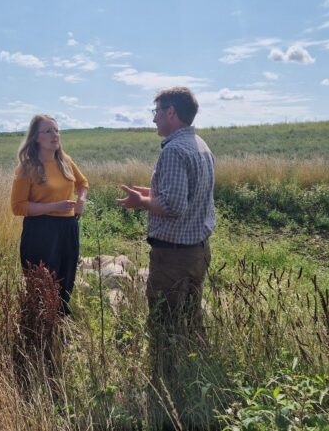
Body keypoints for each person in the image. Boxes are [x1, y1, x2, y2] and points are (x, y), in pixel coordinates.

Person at [116, 86, 215, 429]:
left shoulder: (174, 151)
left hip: (173, 257)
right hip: (197, 251)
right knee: (190, 320)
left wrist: (139, 202)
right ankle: (192, 378)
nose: (154, 117)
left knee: (164, 324)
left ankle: (163, 392)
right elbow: (181, 195)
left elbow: (173, 205)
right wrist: (146, 193)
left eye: (157, 111)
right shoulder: (200, 145)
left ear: (172, 112)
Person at [11, 114, 89, 316]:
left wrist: (80, 201)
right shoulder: (27, 167)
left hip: (68, 227)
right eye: (49, 131)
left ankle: (60, 324)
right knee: (43, 282)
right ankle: (40, 327)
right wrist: (54, 206)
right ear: (36, 137)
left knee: (66, 276)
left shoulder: (65, 161)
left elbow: (83, 183)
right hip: (41, 231)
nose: (55, 135)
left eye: (56, 130)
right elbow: (17, 207)